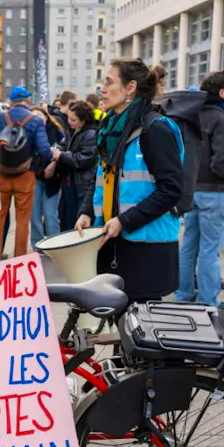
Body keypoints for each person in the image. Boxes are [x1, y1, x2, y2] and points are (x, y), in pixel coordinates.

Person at [74, 59, 184, 302]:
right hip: (114, 245)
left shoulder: (155, 130)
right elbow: (101, 176)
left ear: (130, 87)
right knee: (119, 326)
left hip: (146, 251)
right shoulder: (110, 128)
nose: (102, 89)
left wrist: (124, 221)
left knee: (139, 332)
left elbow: (172, 190)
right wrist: (86, 211)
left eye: (109, 82)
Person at [176, 71, 224, 306]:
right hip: (214, 191)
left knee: (189, 245)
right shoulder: (220, 118)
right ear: (222, 92)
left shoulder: (191, 115)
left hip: (191, 189)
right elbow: (222, 159)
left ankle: (184, 294)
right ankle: (207, 301)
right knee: (209, 250)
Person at [0, 86, 52, 262]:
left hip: (1, 174)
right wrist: (37, 165)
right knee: (23, 221)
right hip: (25, 175)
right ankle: (19, 260)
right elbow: (45, 151)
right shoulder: (35, 120)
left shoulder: (0, 118)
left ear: (12, 100)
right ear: (28, 100)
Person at [55, 101, 99, 231]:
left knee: (77, 219)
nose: (69, 121)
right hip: (72, 181)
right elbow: (65, 145)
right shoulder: (76, 130)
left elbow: (84, 159)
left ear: (83, 119)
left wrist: (62, 155)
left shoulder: (90, 134)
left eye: (73, 119)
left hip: (82, 184)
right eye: (68, 117)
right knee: (68, 217)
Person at [30, 103, 66, 250]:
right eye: (34, 117)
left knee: (51, 215)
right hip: (35, 178)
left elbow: (64, 149)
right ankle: (37, 246)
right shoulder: (28, 132)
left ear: (46, 116)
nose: (37, 119)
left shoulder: (57, 131)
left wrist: (54, 164)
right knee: (34, 216)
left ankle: (54, 246)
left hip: (53, 180)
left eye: (40, 115)